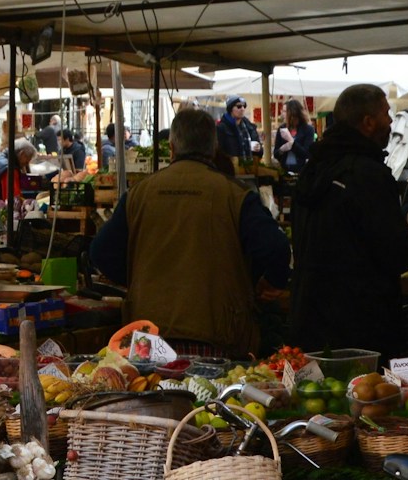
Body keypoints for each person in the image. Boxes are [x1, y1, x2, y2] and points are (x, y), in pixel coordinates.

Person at [89, 107, 290, 358]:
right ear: (214, 147)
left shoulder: (140, 193)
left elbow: (100, 252)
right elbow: (277, 247)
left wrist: (138, 277)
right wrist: (270, 283)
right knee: (209, 397)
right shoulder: (234, 194)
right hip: (217, 333)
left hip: (148, 336)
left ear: (171, 147)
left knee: (155, 396)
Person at [287, 83, 408, 359]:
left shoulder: (312, 170)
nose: (391, 121)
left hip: (309, 322)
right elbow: (395, 254)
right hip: (361, 333)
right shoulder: (368, 175)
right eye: (386, 113)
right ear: (368, 122)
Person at [273, 100, 315, 173]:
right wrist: (282, 150)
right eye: (282, 111)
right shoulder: (282, 129)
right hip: (284, 170)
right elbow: (276, 154)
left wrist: (292, 142)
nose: (282, 114)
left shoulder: (308, 129)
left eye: (285, 111)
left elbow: (306, 154)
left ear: (293, 113)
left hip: (301, 171)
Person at [216, 96, 261, 161]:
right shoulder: (221, 128)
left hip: (250, 166)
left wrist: (259, 148)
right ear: (230, 109)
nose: (242, 109)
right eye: (239, 106)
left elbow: (259, 151)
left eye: (244, 106)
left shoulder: (249, 127)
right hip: (231, 167)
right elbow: (219, 152)